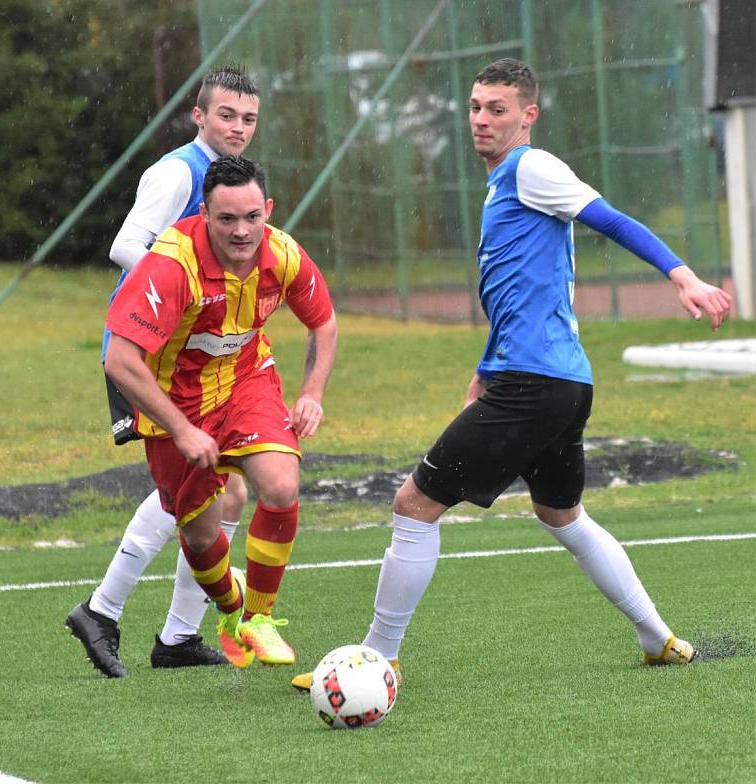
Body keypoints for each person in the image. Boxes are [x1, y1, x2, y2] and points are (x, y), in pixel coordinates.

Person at [291, 58, 732, 691]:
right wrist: (484, 373)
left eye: (497, 109)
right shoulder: (505, 184)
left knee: (413, 506)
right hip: (553, 382)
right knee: (563, 516)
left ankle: (377, 656)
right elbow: (518, 292)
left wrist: (681, 275)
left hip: (536, 385)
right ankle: (657, 637)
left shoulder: (534, 167)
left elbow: (611, 219)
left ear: (529, 115)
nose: (481, 119)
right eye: (474, 107)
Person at [103, 154, 337, 670]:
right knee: (201, 535)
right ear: (204, 213)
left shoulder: (283, 253)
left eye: (253, 216)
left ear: (268, 209)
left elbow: (323, 321)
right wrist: (181, 429)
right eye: (227, 219)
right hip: (174, 404)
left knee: (279, 486)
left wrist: (312, 392)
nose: (242, 231)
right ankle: (231, 613)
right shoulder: (171, 265)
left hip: (246, 382)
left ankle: (259, 617)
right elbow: (119, 359)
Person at [66, 66, 259, 677]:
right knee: (193, 488)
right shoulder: (179, 171)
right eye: (226, 115)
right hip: (148, 354)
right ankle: (104, 609)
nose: (238, 127)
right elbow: (128, 245)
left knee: (223, 486)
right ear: (198, 115)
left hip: (195, 359)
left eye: (248, 118)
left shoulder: (229, 183)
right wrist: (187, 292)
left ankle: (177, 636)